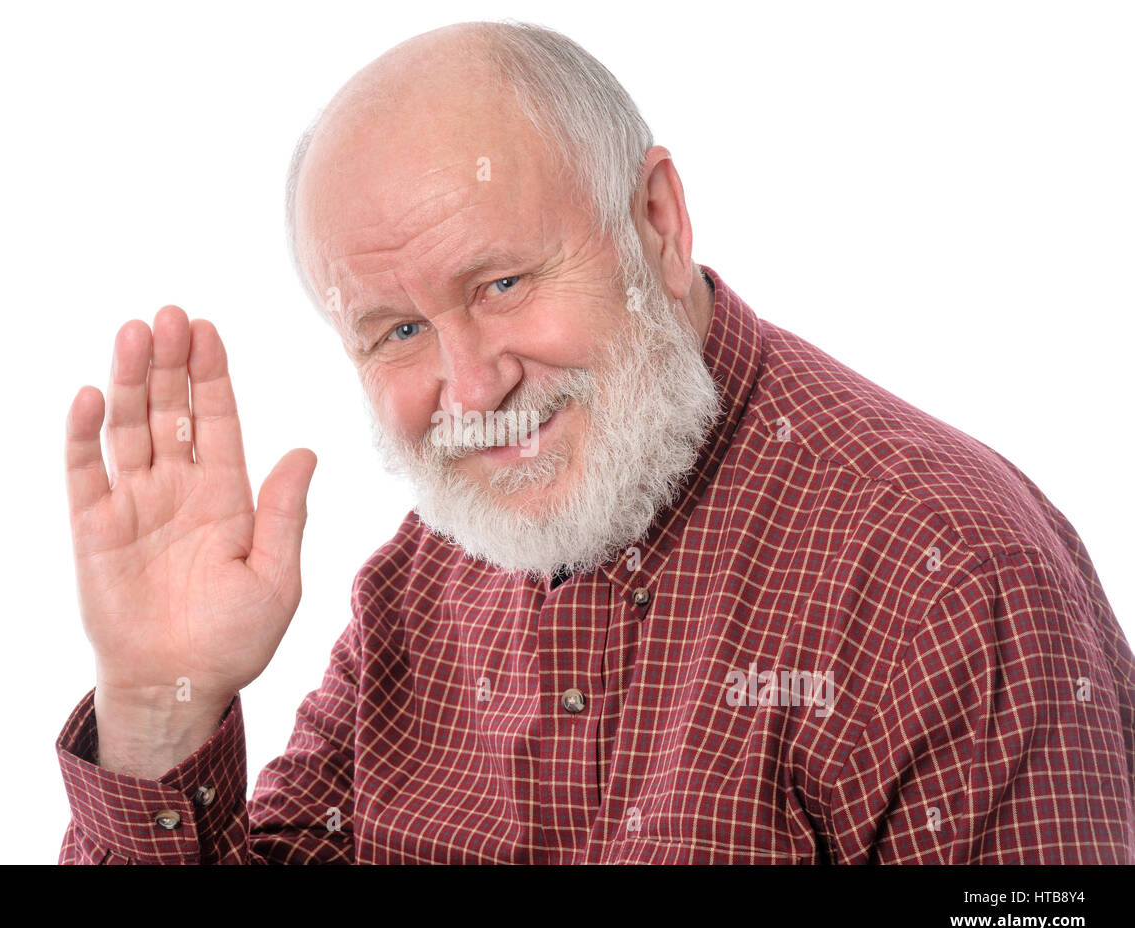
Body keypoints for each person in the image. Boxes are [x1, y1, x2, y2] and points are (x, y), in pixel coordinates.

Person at [56, 19, 1134, 864]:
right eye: (398, 331)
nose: (470, 385)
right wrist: (159, 706)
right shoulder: (429, 572)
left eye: (503, 282)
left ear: (655, 220)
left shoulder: (950, 582)